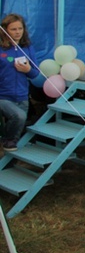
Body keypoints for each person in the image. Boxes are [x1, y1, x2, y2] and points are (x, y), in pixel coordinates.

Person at [0, 14, 46, 152]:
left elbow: (35, 73)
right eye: (13, 29)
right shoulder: (1, 48)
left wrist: (28, 70)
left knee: (18, 128)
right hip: (2, 96)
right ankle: (7, 140)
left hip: (22, 95)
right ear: (5, 30)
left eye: (20, 28)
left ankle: (9, 163)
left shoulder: (27, 47)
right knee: (19, 117)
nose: (18, 32)